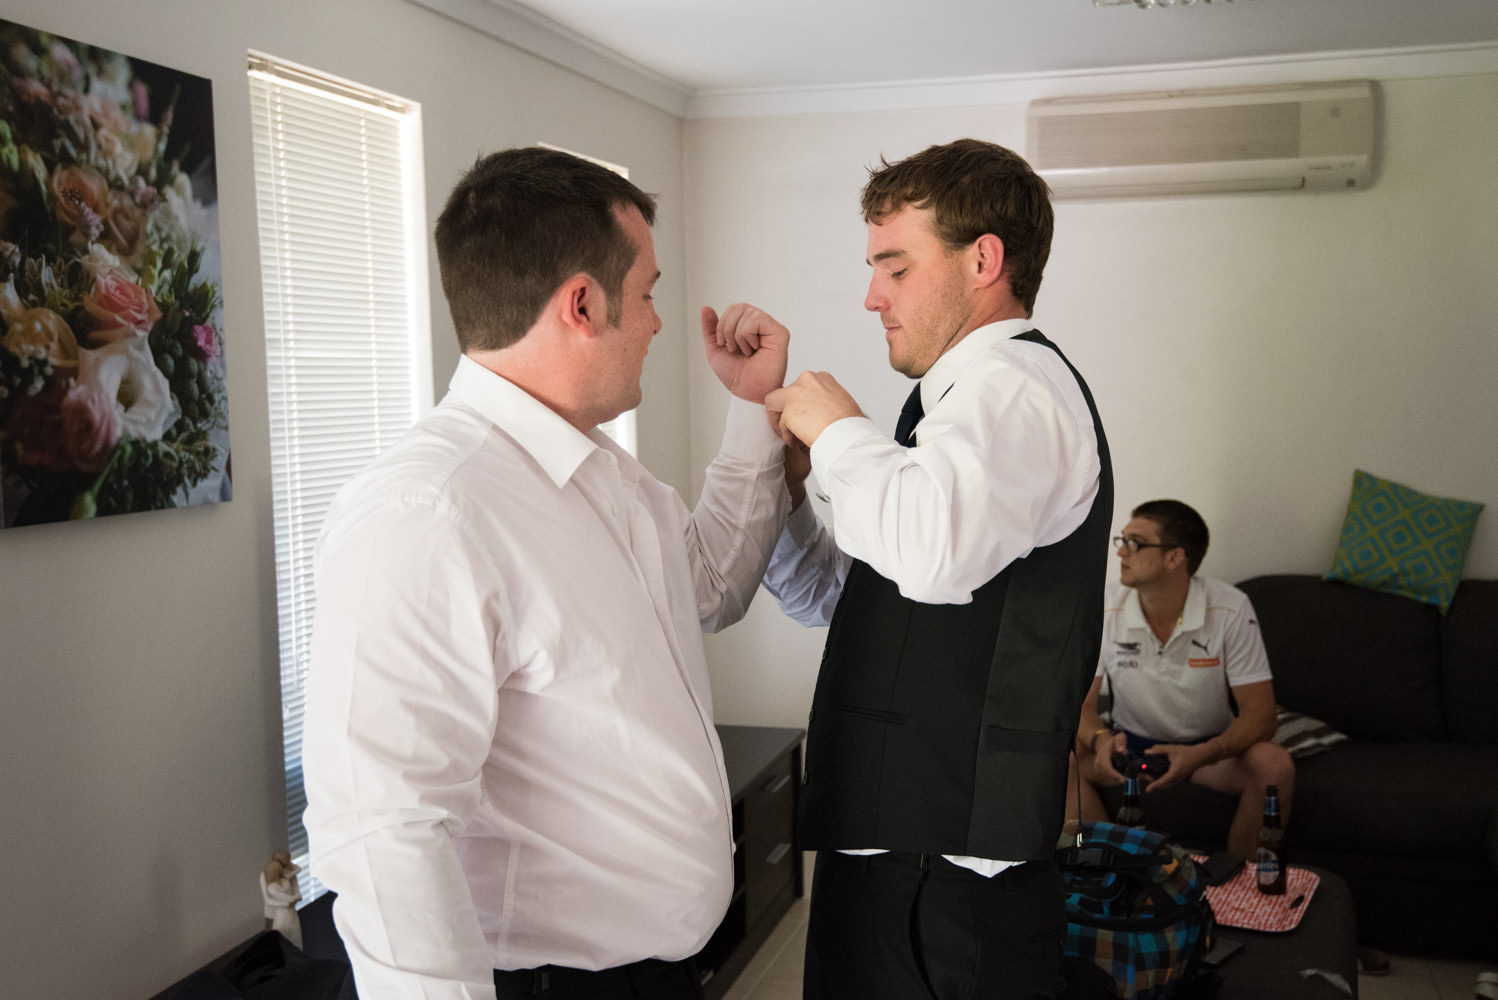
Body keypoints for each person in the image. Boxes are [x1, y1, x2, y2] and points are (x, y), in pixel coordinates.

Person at [302, 147, 792, 1000]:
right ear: (581, 303)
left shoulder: (608, 476)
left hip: (658, 975)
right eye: (646, 294)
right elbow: (386, 833)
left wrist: (751, 406)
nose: (656, 323)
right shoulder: (426, 512)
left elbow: (709, 583)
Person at [762, 138, 1114, 1000]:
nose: (871, 296)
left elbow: (929, 551)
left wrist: (841, 430)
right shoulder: (953, 411)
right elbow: (848, 599)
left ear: (984, 259)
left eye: (896, 266)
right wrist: (786, 493)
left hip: (949, 876)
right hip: (899, 853)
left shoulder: (1014, 387)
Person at [1067, 499, 1294, 860]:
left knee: (1274, 765)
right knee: (1057, 757)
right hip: (1130, 748)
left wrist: (1202, 754)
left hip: (1208, 753)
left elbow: (1261, 715)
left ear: (1176, 558)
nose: (1121, 552)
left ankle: (1241, 886)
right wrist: (1099, 741)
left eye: (1136, 543)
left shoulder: (1230, 608)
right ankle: (1108, 871)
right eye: (1121, 541)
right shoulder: (1104, 606)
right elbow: (1080, 705)